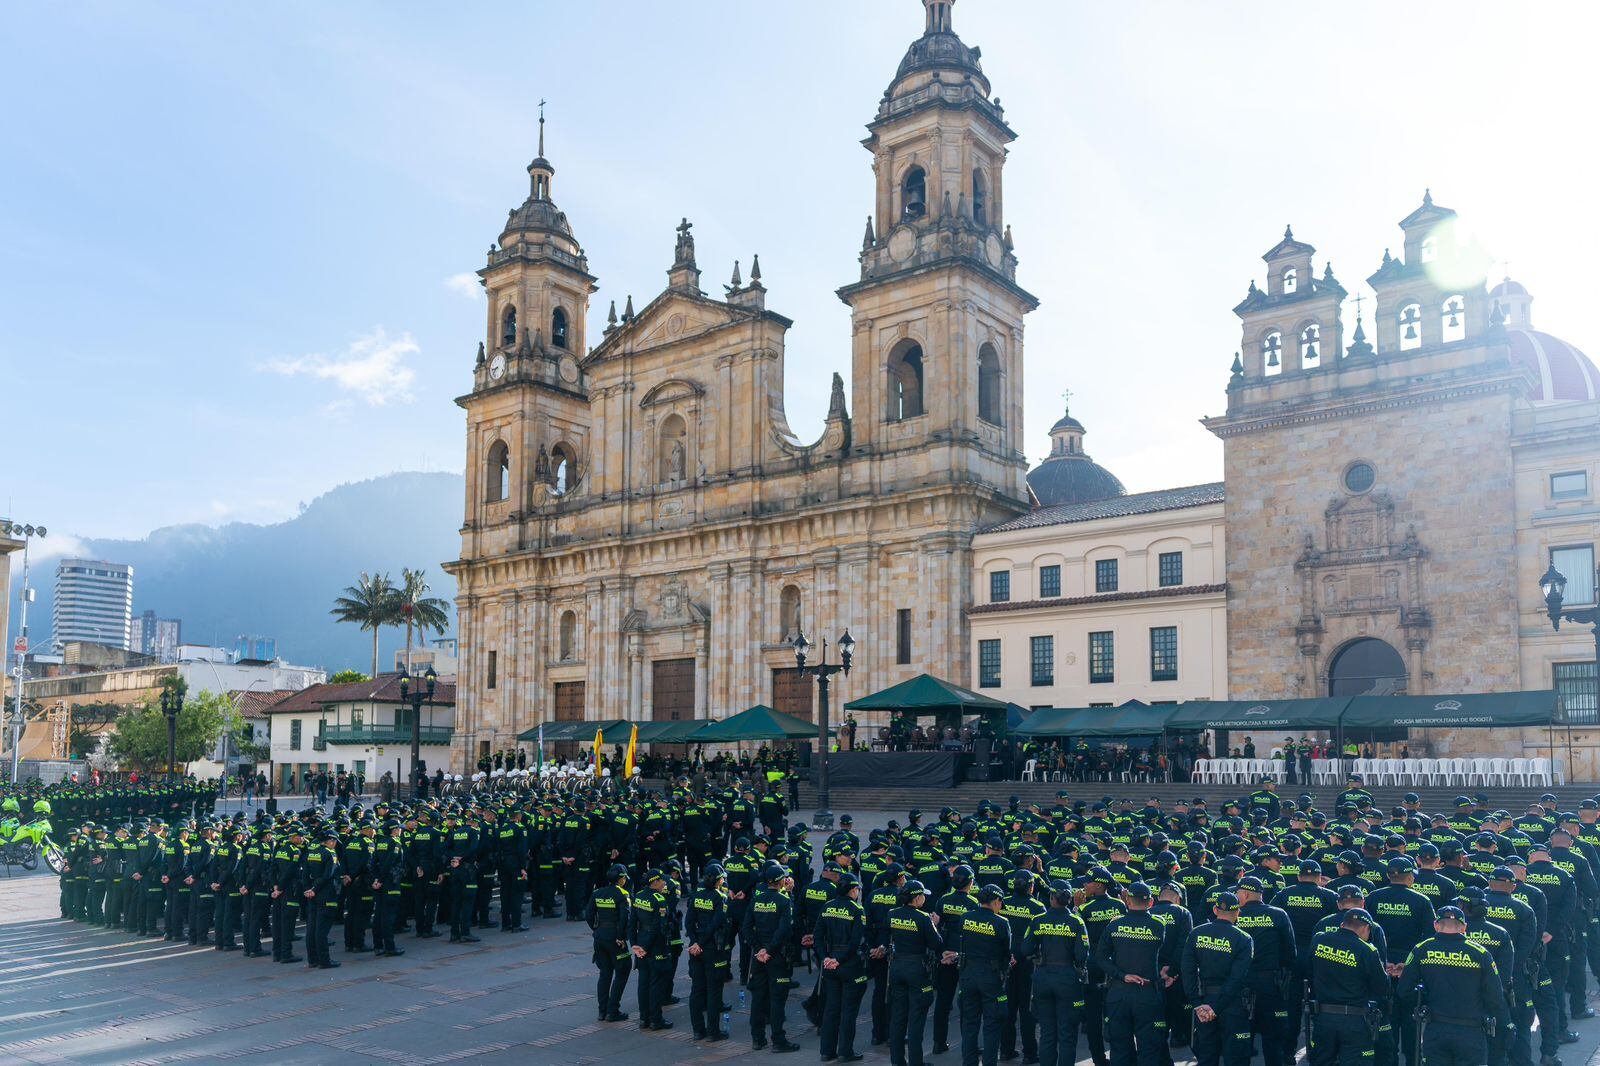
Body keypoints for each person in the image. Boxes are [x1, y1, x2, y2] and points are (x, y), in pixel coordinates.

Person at [1397, 906, 1511, 1066]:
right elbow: (1495, 996)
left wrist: (1425, 1002)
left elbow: (1404, 990)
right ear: (1464, 927)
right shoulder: (1481, 953)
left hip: (1436, 1028)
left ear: (1436, 925)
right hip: (1471, 1031)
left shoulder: (1421, 949)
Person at [1094, 881, 1177, 1066]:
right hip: (1147, 994)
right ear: (1151, 903)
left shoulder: (1114, 925)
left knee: (1120, 1049)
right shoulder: (1158, 924)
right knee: (1149, 1049)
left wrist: (1122, 975)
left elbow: (1100, 958)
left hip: (1118, 992)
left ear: (1127, 901)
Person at [1305, 908, 1389, 1066]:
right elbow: (1382, 988)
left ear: (1342, 925)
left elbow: (1308, 970)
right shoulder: (1368, 950)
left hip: (1323, 1017)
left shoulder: (1319, 939)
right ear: (1366, 928)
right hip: (1355, 1020)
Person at [1181, 890, 1254, 1066]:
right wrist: (1216, 1007)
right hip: (1232, 1003)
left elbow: (1187, 970)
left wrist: (1197, 1003)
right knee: (1235, 1056)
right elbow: (1237, 978)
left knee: (1206, 1055)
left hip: (1204, 1001)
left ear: (1215, 910)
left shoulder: (1196, 933)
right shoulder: (1244, 938)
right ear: (1238, 912)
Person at [1024, 879, 1088, 1066]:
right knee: (1067, 1034)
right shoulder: (1076, 921)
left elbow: (1025, 949)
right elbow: (1082, 954)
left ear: (1051, 897)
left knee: (1047, 1033)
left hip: (1043, 977)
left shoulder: (1038, 920)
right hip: (1067, 978)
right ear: (1069, 899)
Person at [952, 883, 1011, 1066]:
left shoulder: (966, 917)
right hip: (990, 977)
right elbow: (1006, 952)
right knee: (991, 1026)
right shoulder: (1001, 922)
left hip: (968, 975)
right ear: (995, 901)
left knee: (969, 1025)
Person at [747, 861, 801, 1053]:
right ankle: (778, 1041)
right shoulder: (784, 900)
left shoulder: (756, 900)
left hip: (759, 957)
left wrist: (759, 949)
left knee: (758, 998)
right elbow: (785, 929)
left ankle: (757, 1039)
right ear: (781, 882)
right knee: (777, 1000)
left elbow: (746, 928)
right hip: (776, 957)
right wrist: (769, 950)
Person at [816, 871, 870, 1061]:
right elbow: (855, 942)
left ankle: (826, 1051)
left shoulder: (826, 907)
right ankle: (845, 1051)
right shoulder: (857, 909)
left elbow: (817, 938)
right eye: (857, 888)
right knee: (848, 1011)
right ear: (852, 890)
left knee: (831, 1009)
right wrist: (839, 959)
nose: (858, 892)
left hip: (830, 963)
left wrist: (825, 958)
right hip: (848, 964)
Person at [686, 864, 731, 1041]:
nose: (723, 881)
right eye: (722, 878)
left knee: (697, 990)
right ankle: (713, 1032)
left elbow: (689, 923)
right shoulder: (720, 897)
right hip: (712, 948)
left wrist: (695, 942)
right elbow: (716, 923)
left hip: (695, 948)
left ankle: (698, 1031)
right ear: (717, 880)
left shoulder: (695, 895)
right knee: (714, 990)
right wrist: (702, 942)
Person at [586, 863, 633, 1022]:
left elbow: (589, 914)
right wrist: (621, 937)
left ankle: (602, 1010)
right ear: (621, 879)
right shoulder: (622, 894)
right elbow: (624, 917)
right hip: (615, 939)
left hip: (600, 938)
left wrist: (596, 929)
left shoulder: (597, 892)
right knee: (623, 970)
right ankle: (613, 1010)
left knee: (605, 973)